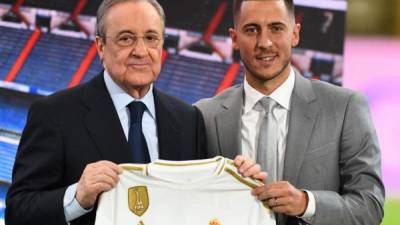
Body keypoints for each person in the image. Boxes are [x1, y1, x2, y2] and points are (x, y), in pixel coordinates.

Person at [5, 1, 264, 225]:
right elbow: (19, 211)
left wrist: (240, 180)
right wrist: (77, 196)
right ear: (101, 47)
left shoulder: (187, 119)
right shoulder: (55, 114)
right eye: (126, 38)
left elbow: (202, 204)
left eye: (151, 38)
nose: (141, 51)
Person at [195, 0, 385, 224]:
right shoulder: (203, 116)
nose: (264, 42)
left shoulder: (345, 108)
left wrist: (307, 204)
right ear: (235, 38)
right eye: (252, 30)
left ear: (294, 34)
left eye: (276, 28)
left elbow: (369, 206)